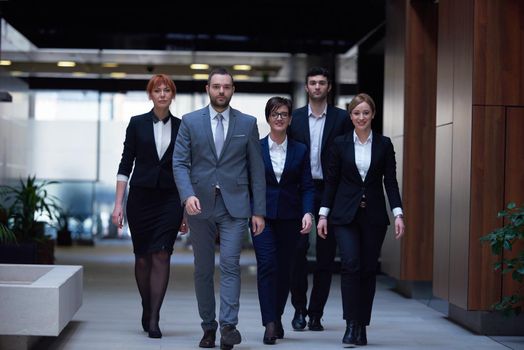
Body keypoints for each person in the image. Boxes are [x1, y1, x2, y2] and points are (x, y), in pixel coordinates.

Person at [172, 67, 266, 350]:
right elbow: (179, 163)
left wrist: (258, 210)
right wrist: (187, 196)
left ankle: (228, 326)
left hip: (235, 207)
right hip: (199, 206)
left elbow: (256, 170)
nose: (221, 91)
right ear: (208, 89)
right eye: (216, 86)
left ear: (233, 90)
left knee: (230, 266)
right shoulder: (190, 122)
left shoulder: (247, 123)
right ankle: (208, 327)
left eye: (226, 86)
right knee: (202, 269)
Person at [317, 93, 405, 346]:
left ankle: (362, 325)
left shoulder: (384, 144)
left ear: (373, 114)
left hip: (374, 216)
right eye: (356, 113)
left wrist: (398, 213)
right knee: (350, 265)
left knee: (367, 270)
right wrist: (323, 214)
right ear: (350, 116)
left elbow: (390, 182)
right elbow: (331, 182)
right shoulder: (339, 144)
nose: (361, 117)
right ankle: (350, 324)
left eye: (366, 112)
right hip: (344, 215)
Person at [111, 74, 187, 339]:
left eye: (167, 90)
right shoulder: (137, 124)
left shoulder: (182, 126)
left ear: (172, 95)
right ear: (151, 95)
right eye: (158, 90)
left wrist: (186, 207)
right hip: (141, 199)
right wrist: (118, 205)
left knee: (162, 254)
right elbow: (125, 165)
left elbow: (186, 168)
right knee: (142, 258)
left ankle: (154, 317)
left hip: (170, 199)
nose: (163, 94)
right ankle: (147, 304)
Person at [287, 66, 352, 331]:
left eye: (321, 83)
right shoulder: (296, 118)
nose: (316, 87)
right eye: (312, 83)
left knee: (326, 256)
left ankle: (316, 313)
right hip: (301, 191)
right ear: (306, 87)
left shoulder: (341, 118)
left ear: (329, 87)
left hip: (330, 191)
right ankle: (299, 309)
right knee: (297, 251)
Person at [253, 97, 315, 345]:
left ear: (290, 119)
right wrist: (254, 212)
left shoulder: (300, 149)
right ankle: (269, 323)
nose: (279, 118)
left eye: (284, 114)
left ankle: (276, 315)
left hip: (291, 218)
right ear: (268, 117)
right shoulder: (255, 148)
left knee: (284, 271)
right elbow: (250, 183)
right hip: (262, 218)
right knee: (267, 266)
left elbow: (308, 186)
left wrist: (308, 212)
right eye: (275, 114)